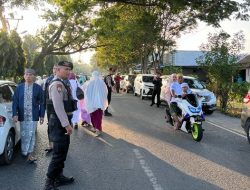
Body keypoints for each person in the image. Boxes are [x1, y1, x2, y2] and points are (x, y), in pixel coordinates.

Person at [44, 61, 75, 190]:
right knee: (58, 153)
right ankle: (49, 182)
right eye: (66, 69)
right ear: (57, 69)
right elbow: (58, 107)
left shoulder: (63, 83)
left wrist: (69, 121)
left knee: (63, 151)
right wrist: (66, 124)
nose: (68, 72)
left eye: (69, 69)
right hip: (58, 123)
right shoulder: (57, 84)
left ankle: (58, 177)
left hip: (62, 121)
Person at [12, 68, 45, 163]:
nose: (28, 76)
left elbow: (42, 103)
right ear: (24, 76)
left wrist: (42, 115)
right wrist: (15, 114)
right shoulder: (19, 87)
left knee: (31, 134)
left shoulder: (38, 88)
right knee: (23, 133)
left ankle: (29, 154)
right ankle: (24, 151)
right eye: (26, 74)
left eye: (30, 74)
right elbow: (15, 102)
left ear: (34, 76)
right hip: (22, 115)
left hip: (33, 115)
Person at [85, 71, 108, 136]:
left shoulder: (91, 82)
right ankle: (98, 128)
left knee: (93, 115)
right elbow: (106, 92)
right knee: (99, 116)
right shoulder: (102, 83)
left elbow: (87, 93)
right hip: (100, 103)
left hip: (93, 103)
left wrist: (89, 100)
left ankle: (96, 128)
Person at [44, 65, 58, 153]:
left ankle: (58, 144)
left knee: (60, 125)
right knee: (50, 124)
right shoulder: (48, 79)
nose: (55, 70)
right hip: (50, 106)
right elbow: (45, 93)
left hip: (61, 107)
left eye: (57, 69)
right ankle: (50, 144)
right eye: (54, 68)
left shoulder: (64, 80)